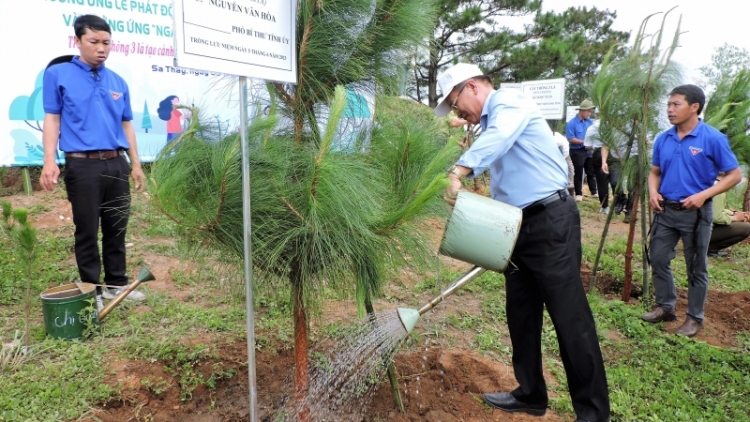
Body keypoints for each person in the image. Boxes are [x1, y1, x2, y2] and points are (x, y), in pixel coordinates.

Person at [436, 63, 610, 422]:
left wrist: (458, 171)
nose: (459, 112)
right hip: (515, 227)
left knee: (570, 318)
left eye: (456, 103)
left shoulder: (509, 103)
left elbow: (498, 137)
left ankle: (593, 414)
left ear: (471, 87)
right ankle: (530, 394)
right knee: (521, 315)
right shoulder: (486, 123)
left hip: (550, 224)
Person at [40, 15, 147, 309]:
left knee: (117, 226)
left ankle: (116, 284)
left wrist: (135, 163)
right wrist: (49, 160)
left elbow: (127, 125)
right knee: (86, 228)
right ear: (78, 41)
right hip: (82, 165)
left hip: (116, 163)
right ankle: (93, 291)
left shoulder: (117, 81)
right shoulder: (58, 74)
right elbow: (52, 118)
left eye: (106, 43)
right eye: (94, 42)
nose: (101, 48)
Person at [643, 84, 741, 337]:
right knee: (659, 258)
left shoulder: (712, 139)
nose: (670, 109)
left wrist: (703, 195)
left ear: (694, 107)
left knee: (696, 266)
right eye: (668, 104)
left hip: (696, 214)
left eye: (676, 104)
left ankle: (694, 318)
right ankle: (666, 307)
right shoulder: (664, 138)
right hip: (666, 211)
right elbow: (655, 172)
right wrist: (653, 192)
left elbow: (734, 175)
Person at [708, 174, 750, 257]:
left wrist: (733, 213)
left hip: (694, 230)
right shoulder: (719, 190)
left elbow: (715, 209)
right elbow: (716, 217)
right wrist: (735, 218)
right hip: (701, 233)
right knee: (746, 227)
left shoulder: (713, 183)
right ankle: (710, 249)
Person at [567, 100, 598, 201]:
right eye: (588, 111)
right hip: (577, 151)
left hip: (589, 151)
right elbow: (571, 138)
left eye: (590, 111)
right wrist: (585, 142)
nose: (589, 114)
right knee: (579, 172)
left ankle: (594, 192)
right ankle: (578, 194)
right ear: (582, 111)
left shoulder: (590, 122)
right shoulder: (572, 123)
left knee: (591, 171)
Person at [553, 131, 575, 196]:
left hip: (564, 152)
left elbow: (563, 153)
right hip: (553, 153)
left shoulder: (558, 141)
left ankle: (570, 183)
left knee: (569, 166)